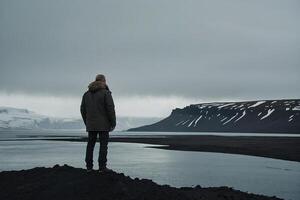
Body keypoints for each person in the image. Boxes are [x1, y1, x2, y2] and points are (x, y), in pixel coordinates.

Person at [80, 74, 116, 172]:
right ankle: (102, 167)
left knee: (90, 145)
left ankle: (89, 167)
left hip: (91, 124)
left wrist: (87, 122)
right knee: (103, 145)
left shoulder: (86, 94)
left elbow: (82, 110)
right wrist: (113, 123)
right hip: (104, 125)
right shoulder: (106, 93)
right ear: (104, 81)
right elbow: (110, 109)